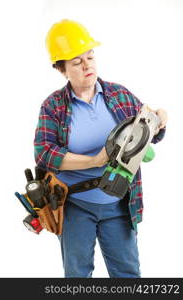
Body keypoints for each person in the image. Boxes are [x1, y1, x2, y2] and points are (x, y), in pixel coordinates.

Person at [34, 19, 167, 278]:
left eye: (90, 57)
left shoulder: (119, 95)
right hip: (75, 205)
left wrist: (160, 121)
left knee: (128, 275)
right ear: (62, 70)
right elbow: (44, 153)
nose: (87, 66)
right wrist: (94, 160)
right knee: (77, 276)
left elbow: (148, 135)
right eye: (76, 62)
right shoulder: (53, 106)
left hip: (119, 203)